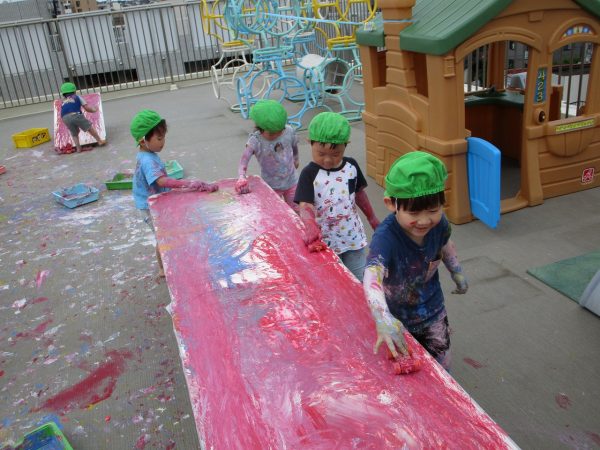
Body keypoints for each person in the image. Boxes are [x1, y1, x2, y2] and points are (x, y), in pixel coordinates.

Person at [363, 151, 468, 371]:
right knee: (407, 370)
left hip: (433, 310)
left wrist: (456, 270)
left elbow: (445, 244)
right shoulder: (385, 238)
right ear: (391, 203)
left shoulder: (440, 224)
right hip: (397, 319)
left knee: (442, 364)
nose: (424, 220)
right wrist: (383, 319)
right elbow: (371, 278)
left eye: (433, 210)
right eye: (414, 213)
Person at [130, 109, 219, 277]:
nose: (163, 142)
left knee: (165, 233)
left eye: (163, 137)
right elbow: (161, 181)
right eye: (159, 139)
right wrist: (188, 184)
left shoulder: (148, 154)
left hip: (154, 200)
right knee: (162, 236)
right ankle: (162, 269)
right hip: (148, 205)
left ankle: (166, 263)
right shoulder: (147, 160)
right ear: (143, 140)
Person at [294, 112, 379, 281]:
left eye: (335, 154)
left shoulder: (351, 166)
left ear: (345, 146)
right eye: (321, 153)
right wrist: (310, 226)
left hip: (352, 237)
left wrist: (372, 218)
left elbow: (358, 193)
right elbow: (305, 205)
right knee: (333, 281)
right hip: (324, 241)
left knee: (359, 280)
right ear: (310, 143)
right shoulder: (309, 173)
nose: (327, 160)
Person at [235, 99, 299, 210]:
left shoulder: (289, 131)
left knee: (296, 211)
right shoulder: (255, 141)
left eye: (280, 131)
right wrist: (241, 177)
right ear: (259, 127)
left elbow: (294, 145)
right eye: (272, 133)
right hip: (271, 187)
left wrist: (296, 158)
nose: (277, 135)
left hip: (292, 182)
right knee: (275, 212)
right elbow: (243, 162)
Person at [59, 82, 106, 152]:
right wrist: (94, 110)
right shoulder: (77, 97)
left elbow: (64, 111)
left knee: (74, 133)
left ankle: (78, 148)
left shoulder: (63, 101)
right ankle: (99, 141)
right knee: (89, 128)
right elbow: (87, 108)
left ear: (63, 94)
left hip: (64, 118)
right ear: (74, 91)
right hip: (75, 115)